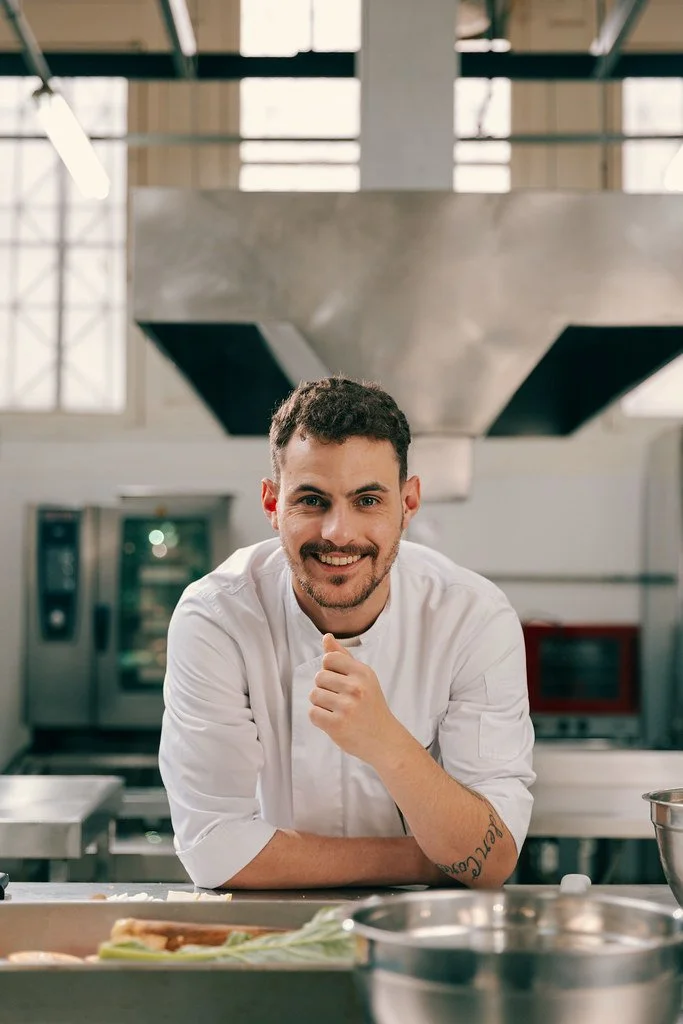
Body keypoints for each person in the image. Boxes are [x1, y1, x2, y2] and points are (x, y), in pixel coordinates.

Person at [159, 376, 535, 891]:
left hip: (423, 935)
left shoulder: (472, 617)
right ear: (272, 505)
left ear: (409, 503)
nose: (339, 532)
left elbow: (491, 861)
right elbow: (212, 851)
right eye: (312, 501)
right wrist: (430, 861)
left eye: (368, 501)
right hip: (269, 932)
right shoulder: (217, 617)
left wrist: (386, 743)